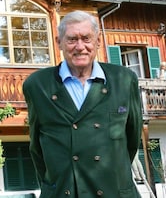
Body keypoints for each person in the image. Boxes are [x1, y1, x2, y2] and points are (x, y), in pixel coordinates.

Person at [23, 10, 142, 197]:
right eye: (71, 39)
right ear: (59, 43)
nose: (80, 47)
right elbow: (37, 148)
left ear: (98, 41)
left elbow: (132, 140)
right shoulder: (38, 85)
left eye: (86, 38)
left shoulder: (124, 80)